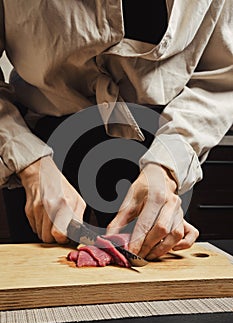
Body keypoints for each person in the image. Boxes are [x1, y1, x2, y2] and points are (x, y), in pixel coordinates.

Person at [0, 0, 232, 260]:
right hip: (37, 146)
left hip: (159, 144)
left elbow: (222, 73)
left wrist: (167, 169)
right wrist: (28, 161)